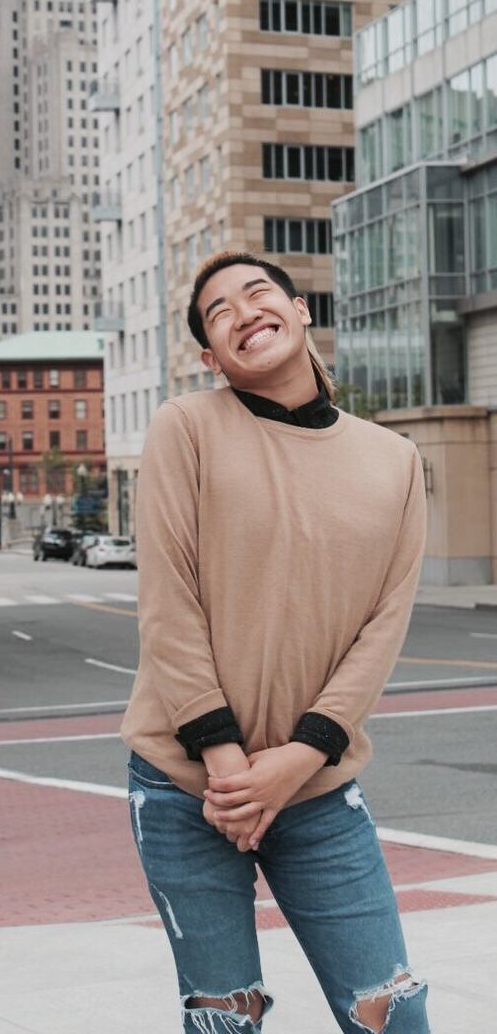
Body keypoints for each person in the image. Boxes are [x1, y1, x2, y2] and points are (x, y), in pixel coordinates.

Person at [122, 251, 429, 1034]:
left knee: (390, 1014)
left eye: (256, 293)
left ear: (298, 310)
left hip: (318, 790)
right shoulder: (185, 428)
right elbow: (168, 602)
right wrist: (226, 767)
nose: (240, 311)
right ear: (208, 355)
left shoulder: (393, 461)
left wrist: (298, 759)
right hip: (188, 788)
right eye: (217, 311)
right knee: (226, 1020)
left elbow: (381, 626)